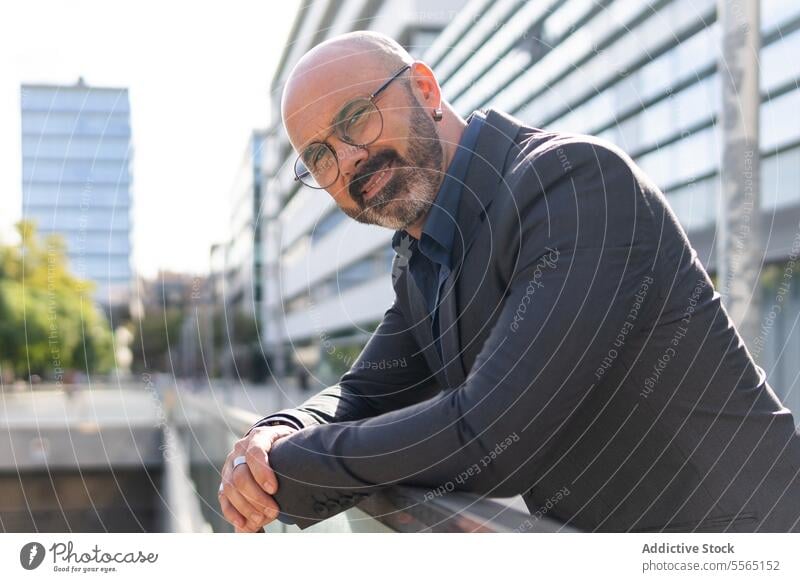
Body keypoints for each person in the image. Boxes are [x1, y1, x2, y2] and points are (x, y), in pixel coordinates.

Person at [218, 31, 800, 533]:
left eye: (355, 119)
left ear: (424, 88)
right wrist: (275, 434)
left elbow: (493, 433)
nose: (346, 160)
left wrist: (288, 468)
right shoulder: (424, 258)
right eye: (318, 156)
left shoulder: (574, 184)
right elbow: (365, 394)